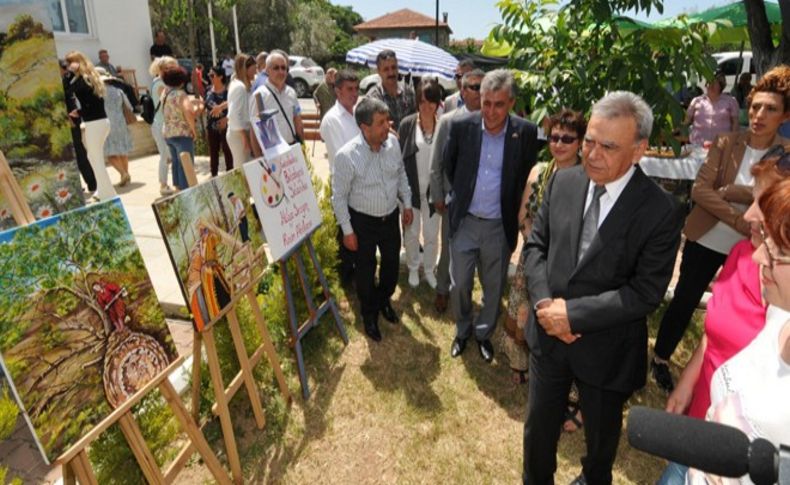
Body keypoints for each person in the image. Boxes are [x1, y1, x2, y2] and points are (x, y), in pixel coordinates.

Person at [523, 91, 683, 485]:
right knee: (538, 434)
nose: (592, 154)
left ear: (639, 149)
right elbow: (535, 246)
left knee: (601, 443)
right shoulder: (565, 180)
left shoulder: (660, 210)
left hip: (607, 350)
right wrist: (547, 306)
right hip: (548, 337)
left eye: (608, 146)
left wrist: (572, 315)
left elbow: (644, 292)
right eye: (590, 141)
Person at [652, 65, 790, 392]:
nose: (758, 114)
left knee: (743, 313)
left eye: (770, 109)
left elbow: (775, 199)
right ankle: (659, 358)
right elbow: (700, 191)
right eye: (755, 105)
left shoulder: (785, 155)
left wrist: (731, 191)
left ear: (784, 117)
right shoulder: (727, 141)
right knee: (684, 301)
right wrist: (740, 218)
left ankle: (729, 372)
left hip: (755, 251)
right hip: (708, 238)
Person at [657, 146, 790, 485]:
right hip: (699, 444)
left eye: (765, 205)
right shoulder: (753, 265)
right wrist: (688, 382)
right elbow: (715, 328)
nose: (748, 216)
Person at [445, 69, 538, 363]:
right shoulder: (462, 126)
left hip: (499, 225)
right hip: (466, 222)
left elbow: (527, 176)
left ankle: (483, 332)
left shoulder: (524, 132)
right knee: (459, 282)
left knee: (493, 285)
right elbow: (451, 167)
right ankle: (462, 329)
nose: (491, 111)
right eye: (486, 103)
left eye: (499, 104)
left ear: (511, 102)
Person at [501, 109, 586, 389]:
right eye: (554, 137)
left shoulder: (588, 178)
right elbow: (522, 216)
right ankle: (519, 362)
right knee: (525, 309)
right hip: (534, 255)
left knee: (559, 315)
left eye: (567, 138)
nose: (558, 144)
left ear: (581, 142)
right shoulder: (539, 172)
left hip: (569, 263)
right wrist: (534, 240)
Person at [331, 97, 413, 342]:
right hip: (362, 223)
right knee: (365, 274)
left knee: (390, 269)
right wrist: (347, 231)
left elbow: (401, 176)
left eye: (387, 120)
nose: (387, 126)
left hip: (390, 220)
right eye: (380, 123)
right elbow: (339, 198)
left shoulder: (393, 144)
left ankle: (383, 300)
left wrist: (406, 203)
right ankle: (369, 313)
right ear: (364, 128)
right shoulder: (346, 156)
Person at [429, 68, 484, 313]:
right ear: (462, 90)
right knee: (449, 247)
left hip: (483, 203)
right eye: (474, 87)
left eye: (484, 88)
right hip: (453, 201)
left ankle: (470, 292)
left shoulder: (492, 123)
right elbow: (436, 164)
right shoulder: (448, 121)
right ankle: (442, 290)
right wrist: (438, 196)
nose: (480, 93)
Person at [398, 78, 442, 289]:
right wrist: (404, 197)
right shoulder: (407, 125)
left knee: (432, 235)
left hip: (434, 194)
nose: (427, 105)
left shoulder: (443, 126)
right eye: (422, 101)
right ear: (417, 101)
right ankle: (414, 268)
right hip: (412, 192)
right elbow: (399, 161)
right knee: (412, 233)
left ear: (437, 102)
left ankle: (430, 270)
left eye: (431, 101)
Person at [319, 70, 361, 286]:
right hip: (346, 187)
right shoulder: (332, 120)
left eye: (357, 89)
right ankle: (345, 278)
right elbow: (341, 159)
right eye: (350, 90)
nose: (355, 94)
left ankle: (355, 272)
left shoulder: (357, 113)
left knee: (357, 235)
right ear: (337, 91)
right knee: (346, 234)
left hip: (361, 187)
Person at [64, 51, 115, 200]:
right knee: (93, 158)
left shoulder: (82, 80)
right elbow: (93, 103)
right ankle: (102, 190)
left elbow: (69, 90)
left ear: (76, 62)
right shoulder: (89, 77)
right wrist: (79, 112)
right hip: (100, 122)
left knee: (95, 159)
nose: (68, 66)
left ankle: (108, 193)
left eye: (69, 63)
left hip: (95, 124)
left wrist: (78, 112)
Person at [250, 51, 304, 146]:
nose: (281, 71)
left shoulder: (291, 93)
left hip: (292, 149)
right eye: (276, 68)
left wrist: (302, 146)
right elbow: (254, 131)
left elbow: (298, 121)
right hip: (272, 152)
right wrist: (259, 157)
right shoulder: (259, 95)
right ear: (267, 70)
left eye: (284, 68)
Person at [187, 222, 232, 331]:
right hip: (208, 275)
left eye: (203, 230)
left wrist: (213, 228)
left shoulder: (207, 239)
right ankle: (224, 320)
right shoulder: (201, 243)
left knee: (223, 294)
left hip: (212, 272)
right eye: (201, 231)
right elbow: (204, 259)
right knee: (217, 298)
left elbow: (218, 240)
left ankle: (228, 316)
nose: (202, 232)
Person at [162, 65, 201, 191]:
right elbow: (189, 112)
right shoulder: (181, 94)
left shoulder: (165, 94)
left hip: (169, 133)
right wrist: (194, 130)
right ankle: (187, 192)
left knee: (176, 163)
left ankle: (178, 188)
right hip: (182, 133)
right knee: (186, 165)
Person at [59, 59, 95, 196]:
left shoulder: (68, 80)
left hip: (71, 121)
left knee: (79, 153)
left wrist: (71, 118)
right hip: (68, 120)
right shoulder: (64, 79)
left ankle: (92, 183)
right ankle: (81, 185)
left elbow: (70, 99)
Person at [97, 67, 133, 186]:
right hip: (120, 123)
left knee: (110, 154)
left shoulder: (98, 93)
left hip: (106, 124)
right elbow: (130, 107)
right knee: (122, 152)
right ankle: (126, 174)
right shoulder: (119, 91)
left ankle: (123, 173)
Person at [149, 56, 178, 195]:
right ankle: (163, 184)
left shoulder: (160, 82)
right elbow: (166, 103)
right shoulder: (161, 84)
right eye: (168, 68)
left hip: (161, 123)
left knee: (167, 155)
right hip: (161, 124)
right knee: (165, 155)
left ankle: (165, 183)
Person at [366, 49, 416, 130]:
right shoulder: (373, 98)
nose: (391, 73)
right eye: (386, 69)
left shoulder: (409, 92)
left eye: (393, 67)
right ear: (379, 71)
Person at [686, 73, 740, 146]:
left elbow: (735, 124)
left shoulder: (731, 101)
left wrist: (733, 142)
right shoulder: (696, 101)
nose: (711, 85)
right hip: (698, 144)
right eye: (709, 82)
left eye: (715, 83)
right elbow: (686, 121)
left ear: (721, 86)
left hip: (722, 145)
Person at [226, 54, 256, 165]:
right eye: (253, 70)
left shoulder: (240, 85)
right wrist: (244, 137)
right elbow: (234, 114)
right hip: (239, 135)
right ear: (245, 69)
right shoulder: (239, 87)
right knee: (242, 170)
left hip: (242, 132)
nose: (255, 73)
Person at [205, 65, 233, 177]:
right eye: (209, 75)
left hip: (226, 127)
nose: (210, 77)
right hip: (212, 127)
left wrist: (226, 118)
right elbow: (206, 105)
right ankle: (214, 176)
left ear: (220, 77)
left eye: (212, 75)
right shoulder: (208, 90)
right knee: (213, 153)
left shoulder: (228, 92)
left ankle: (231, 176)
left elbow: (233, 106)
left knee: (228, 153)